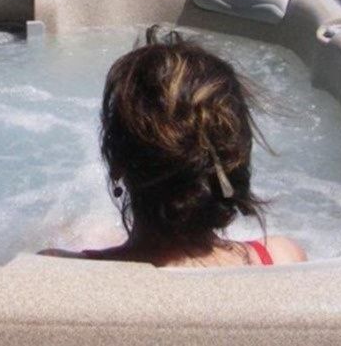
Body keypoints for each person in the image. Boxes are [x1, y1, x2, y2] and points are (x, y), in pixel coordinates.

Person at [41, 25, 306, 267]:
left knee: (76, 229)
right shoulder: (283, 259)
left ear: (117, 163)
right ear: (237, 158)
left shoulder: (57, 272)